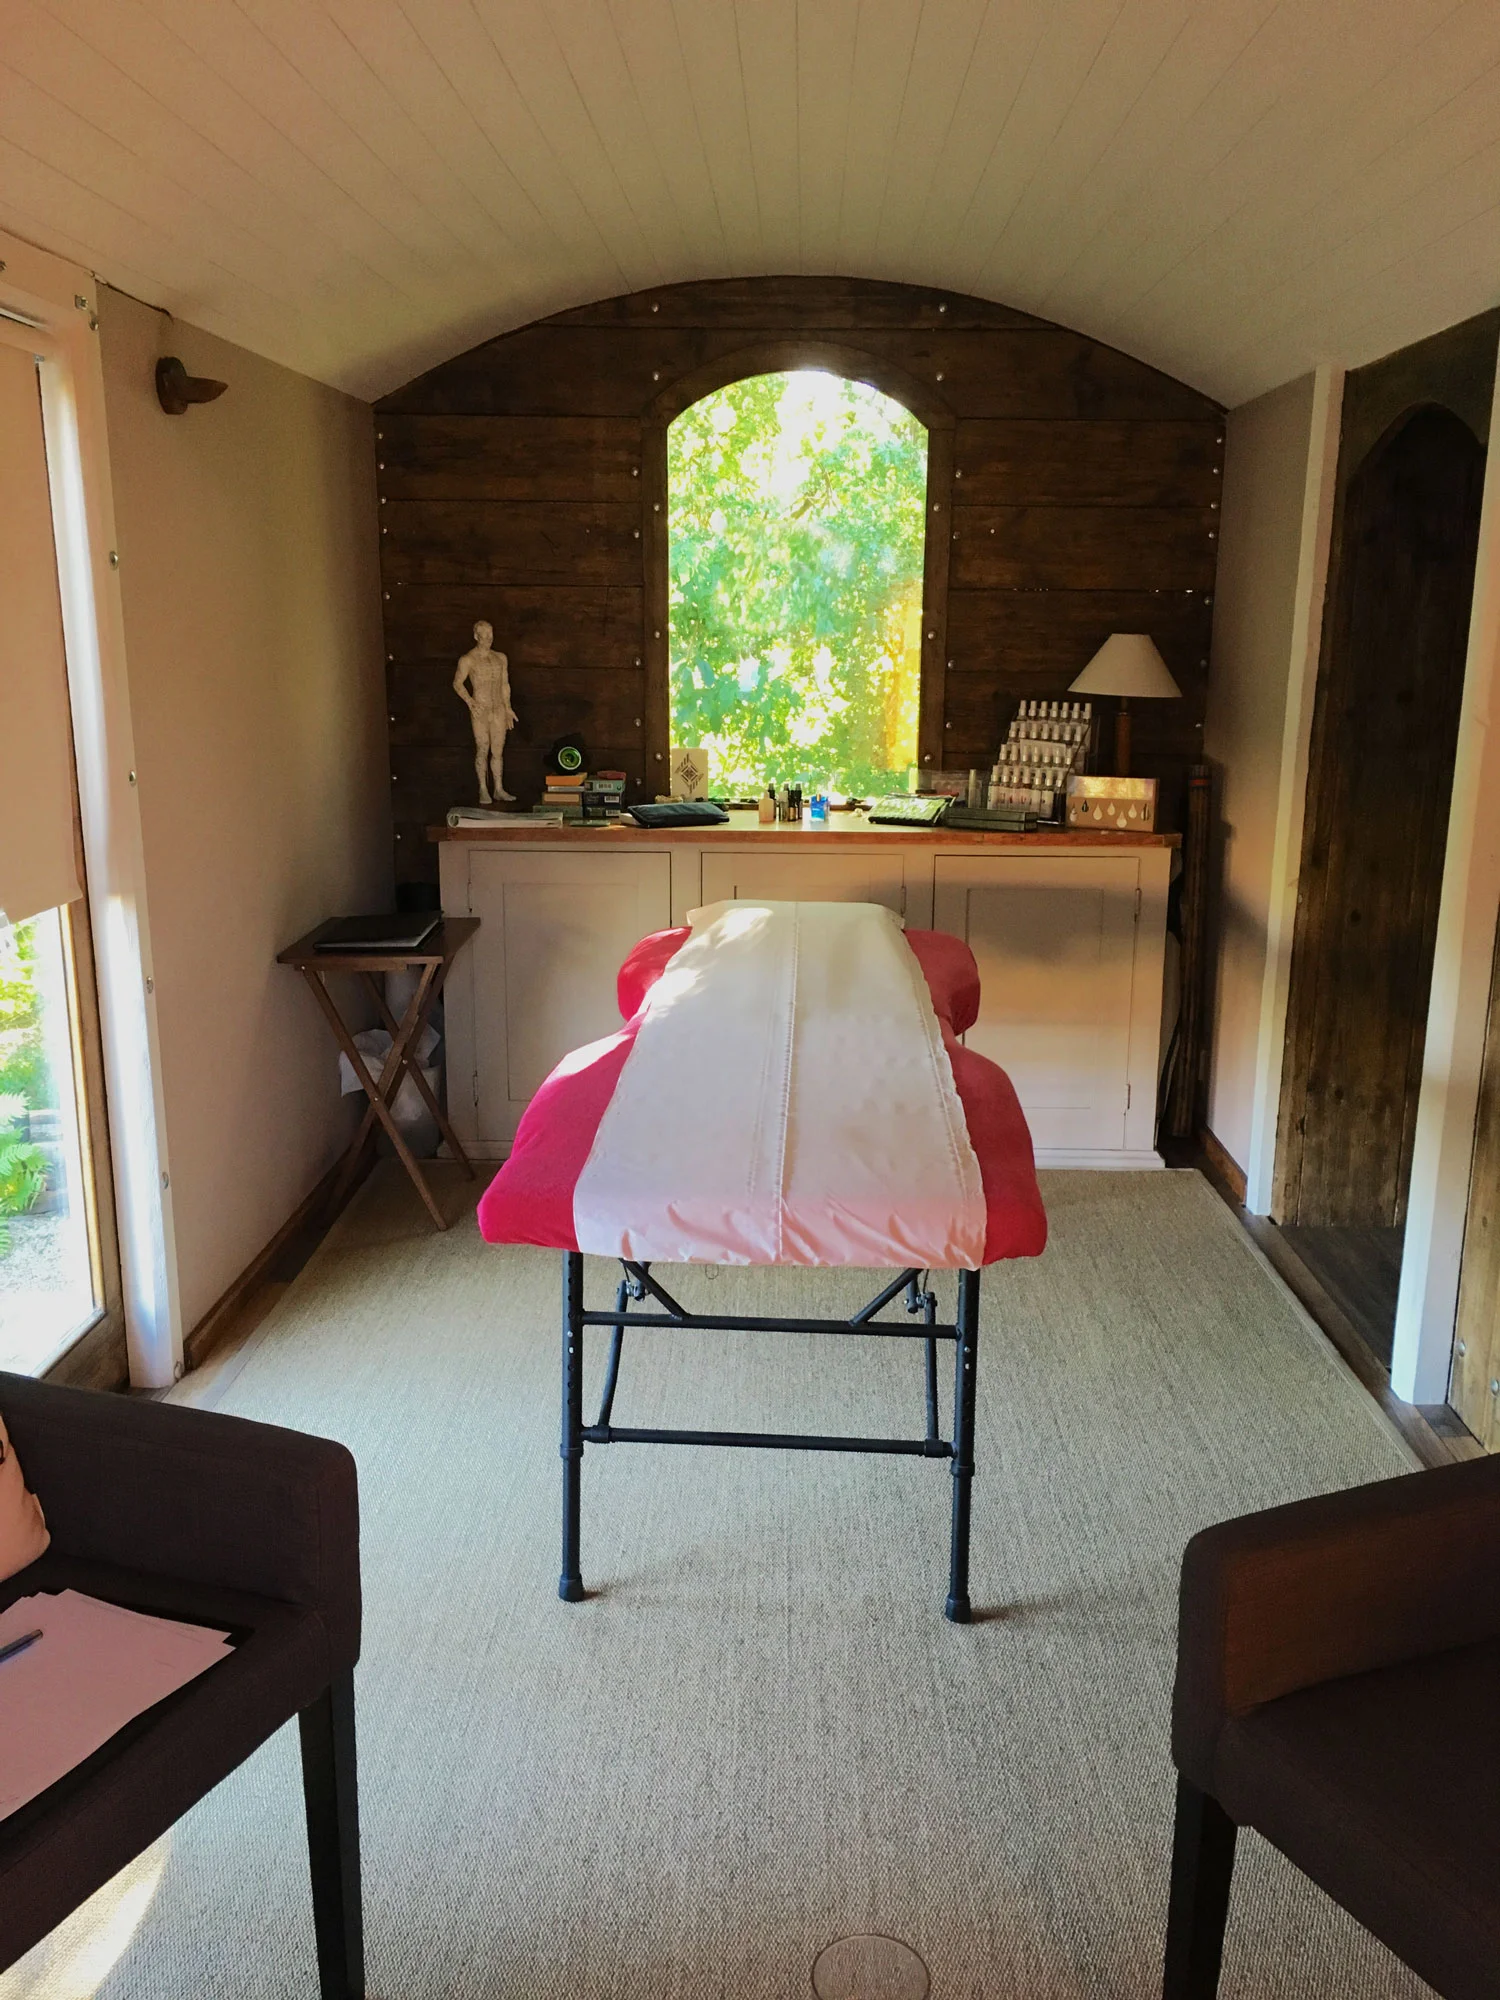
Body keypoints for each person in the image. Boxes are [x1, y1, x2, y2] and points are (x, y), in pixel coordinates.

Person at [453, 621, 517, 804]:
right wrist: (470, 702)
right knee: (482, 748)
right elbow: (457, 683)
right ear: (476, 636)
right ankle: (483, 788)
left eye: (491, 635)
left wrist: (508, 707)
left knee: (498, 751)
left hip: (498, 708)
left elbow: (505, 684)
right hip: (481, 708)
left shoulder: (500, 658)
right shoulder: (468, 659)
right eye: (484, 635)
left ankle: (498, 788)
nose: (488, 639)